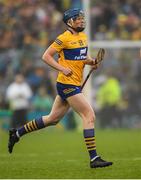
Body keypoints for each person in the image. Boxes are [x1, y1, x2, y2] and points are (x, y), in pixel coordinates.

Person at [8, 8, 113, 168]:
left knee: (52, 119)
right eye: (78, 18)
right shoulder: (63, 38)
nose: (81, 21)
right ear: (70, 22)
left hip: (73, 83)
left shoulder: (83, 37)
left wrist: (91, 62)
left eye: (82, 18)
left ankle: (17, 133)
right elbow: (46, 56)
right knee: (89, 115)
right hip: (67, 83)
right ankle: (94, 158)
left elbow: (81, 57)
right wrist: (61, 68)